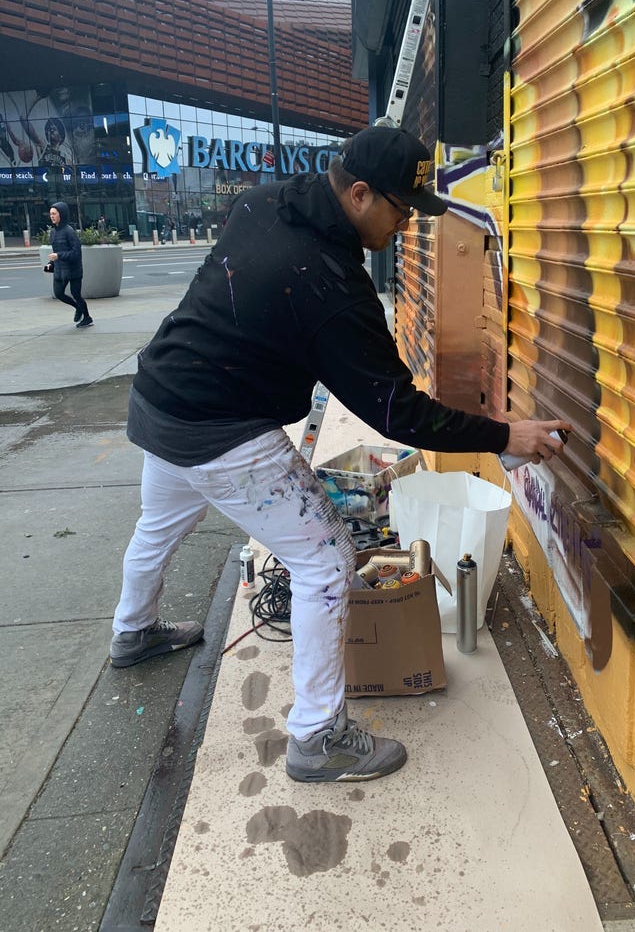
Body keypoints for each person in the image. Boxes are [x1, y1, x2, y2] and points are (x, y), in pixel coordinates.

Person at [110, 125, 571, 783]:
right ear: (358, 194)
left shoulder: (265, 201)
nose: (406, 224)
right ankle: (317, 736)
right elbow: (397, 412)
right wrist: (506, 436)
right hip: (220, 427)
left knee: (159, 524)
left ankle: (132, 631)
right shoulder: (330, 287)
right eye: (400, 209)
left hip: (161, 395)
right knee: (325, 561)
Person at [47, 202, 93, 328]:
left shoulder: (69, 231)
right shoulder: (53, 232)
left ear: (61, 214)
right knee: (59, 293)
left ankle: (87, 318)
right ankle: (78, 308)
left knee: (76, 294)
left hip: (73, 270)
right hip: (60, 270)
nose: (52, 216)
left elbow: (76, 253)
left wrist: (59, 256)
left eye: (54, 214)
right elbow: (56, 251)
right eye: (50, 214)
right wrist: (51, 264)